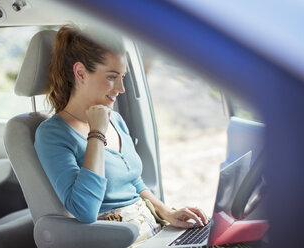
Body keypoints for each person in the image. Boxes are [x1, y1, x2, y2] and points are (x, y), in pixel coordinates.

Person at [34, 25, 209, 245]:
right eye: (112, 77)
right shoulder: (52, 134)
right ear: (80, 73)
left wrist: (167, 213)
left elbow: (133, 181)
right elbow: (84, 210)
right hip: (119, 240)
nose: (121, 88)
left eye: (122, 77)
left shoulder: (115, 119)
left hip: (154, 231)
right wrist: (96, 133)